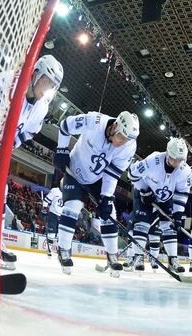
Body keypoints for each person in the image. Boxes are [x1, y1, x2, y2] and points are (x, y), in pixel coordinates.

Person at [0, 54, 63, 270]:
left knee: (1, 190)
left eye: (53, 86)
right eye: (48, 82)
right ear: (36, 74)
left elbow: (26, 134)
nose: (49, 89)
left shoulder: (42, 107)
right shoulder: (9, 82)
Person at [53, 110, 139, 276]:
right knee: (73, 206)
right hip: (74, 172)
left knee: (110, 212)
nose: (123, 142)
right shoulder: (94, 121)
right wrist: (61, 149)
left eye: (127, 140)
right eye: (121, 137)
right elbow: (65, 125)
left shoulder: (129, 146)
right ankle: (63, 249)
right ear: (115, 126)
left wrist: (106, 197)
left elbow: (113, 173)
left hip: (97, 179)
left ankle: (112, 256)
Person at [126, 137, 191, 273]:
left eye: (180, 160)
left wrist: (178, 214)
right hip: (145, 195)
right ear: (168, 153)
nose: (177, 163)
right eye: (174, 159)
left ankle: (173, 259)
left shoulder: (184, 170)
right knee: (141, 225)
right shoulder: (153, 160)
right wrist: (144, 190)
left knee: (170, 227)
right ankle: (138, 257)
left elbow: (182, 192)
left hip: (165, 198)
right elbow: (132, 174)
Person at [42, 179, 64, 257]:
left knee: (59, 234)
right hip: (53, 214)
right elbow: (47, 199)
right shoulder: (55, 191)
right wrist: (44, 208)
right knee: (52, 233)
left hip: (62, 215)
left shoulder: (67, 193)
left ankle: (59, 250)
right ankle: (49, 249)